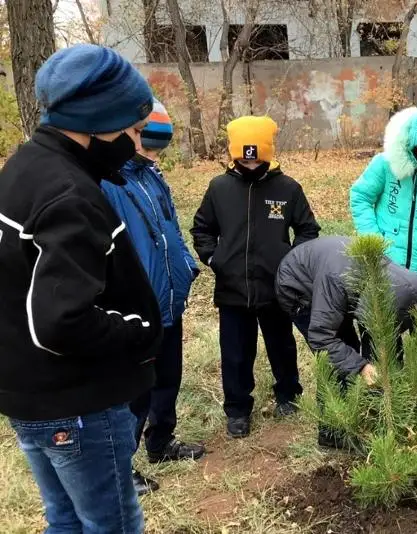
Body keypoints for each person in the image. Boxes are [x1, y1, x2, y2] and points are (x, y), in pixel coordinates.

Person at [0, 44, 162, 533]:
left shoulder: (23, 168)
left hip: (33, 396)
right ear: (99, 122)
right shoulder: (69, 194)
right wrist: (138, 329)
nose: (137, 144)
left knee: (67, 521)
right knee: (110, 525)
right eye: (133, 130)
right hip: (78, 405)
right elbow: (61, 320)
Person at [191, 115, 320, 439]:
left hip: (277, 287)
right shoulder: (219, 188)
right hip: (233, 289)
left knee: (282, 345)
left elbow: (308, 230)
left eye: (256, 159)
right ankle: (237, 410)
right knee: (235, 352)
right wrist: (213, 258)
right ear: (235, 155)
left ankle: (289, 394)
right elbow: (202, 228)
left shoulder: (287, 188)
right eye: (243, 159)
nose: (250, 165)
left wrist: (291, 263)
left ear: (266, 154)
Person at [101, 98, 205, 496]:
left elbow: (169, 228)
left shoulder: (153, 176)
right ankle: (120, 467)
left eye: (160, 146)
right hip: (135, 305)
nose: (152, 154)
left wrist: (185, 265)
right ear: (130, 135)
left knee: (168, 378)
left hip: (168, 298)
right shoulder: (109, 181)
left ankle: (161, 442)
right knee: (134, 389)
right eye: (147, 144)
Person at [274, 236, 417, 447]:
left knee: (366, 351)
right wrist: (362, 367)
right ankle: (332, 432)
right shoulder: (337, 281)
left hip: (338, 285)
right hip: (299, 287)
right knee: (340, 355)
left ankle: (370, 416)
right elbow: (321, 338)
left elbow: (392, 342)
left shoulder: (406, 286)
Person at [350, 85, 417, 294]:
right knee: (380, 321)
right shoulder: (385, 164)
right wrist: (374, 239)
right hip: (385, 260)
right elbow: (360, 197)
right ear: (414, 139)